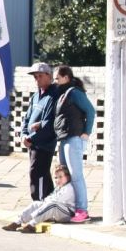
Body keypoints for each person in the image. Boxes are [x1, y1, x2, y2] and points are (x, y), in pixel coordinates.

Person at [53, 65, 96, 223]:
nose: (56, 81)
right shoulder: (63, 93)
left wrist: (86, 132)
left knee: (76, 176)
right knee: (66, 175)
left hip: (73, 138)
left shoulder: (74, 93)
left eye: (57, 78)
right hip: (64, 138)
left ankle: (82, 210)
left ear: (66, 77)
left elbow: (90, 111)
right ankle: (70, 207)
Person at [21, 62, 59, 201]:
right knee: (42, 174)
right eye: (35, 77)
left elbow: (49, 124)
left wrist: (31, 139)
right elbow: (26, 119)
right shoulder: (35, 96)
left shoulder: (53, 96)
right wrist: (23, 135)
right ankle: (50, 203)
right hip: (32, 143)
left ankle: (40, 203)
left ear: (49, 76)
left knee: (37, 173)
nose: (37, 79)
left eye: (40, 76)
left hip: (44, 144)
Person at [2, 165, 76, 232]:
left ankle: (32, 224)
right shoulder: (58, 188)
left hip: (66, 214)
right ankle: (18, 222)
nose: (58, 180)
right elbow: (49, 198)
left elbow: (56, 200)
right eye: (56, 177)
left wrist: (44, 206)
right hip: (56, 212)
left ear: (68, 177)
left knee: (53, 205)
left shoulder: (69, 188)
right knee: (36, 203)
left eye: (60, 177)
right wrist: (43, 205)